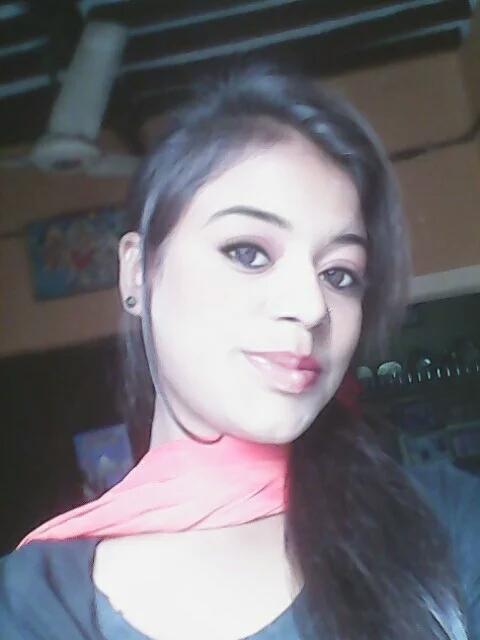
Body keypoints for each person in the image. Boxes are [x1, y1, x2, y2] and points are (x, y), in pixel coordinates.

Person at [1, 64, 478, 640]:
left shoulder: (446, 521)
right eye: (248, 252)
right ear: (136, 273)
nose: (311, 307)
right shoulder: (27, 603)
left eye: (340, 274)